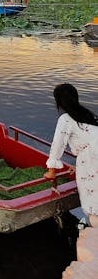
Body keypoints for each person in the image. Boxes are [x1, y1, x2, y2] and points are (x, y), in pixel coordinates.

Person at [44, 83, 98, 227]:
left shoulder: (66, 119)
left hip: (92, 159)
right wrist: (78, 165)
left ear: (59, 102)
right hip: (92, 155)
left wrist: (51, 171)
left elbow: (57, 145)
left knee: (93, 201)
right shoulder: (88, 115)